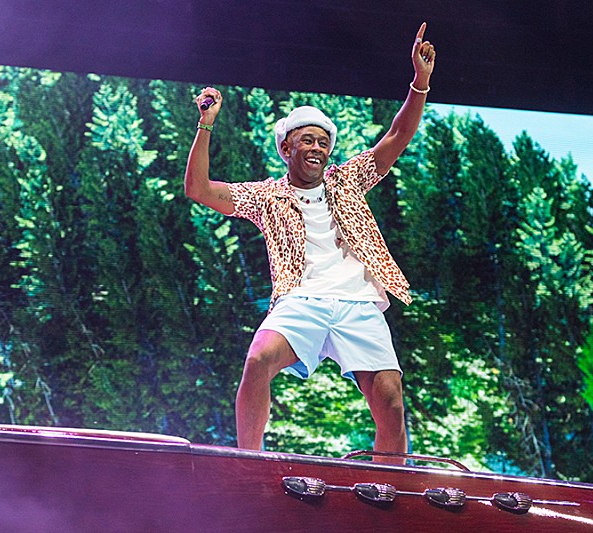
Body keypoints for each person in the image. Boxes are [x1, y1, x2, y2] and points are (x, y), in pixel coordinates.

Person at [184, 22, 436, 458]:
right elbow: (199, 189)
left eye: (323, 142)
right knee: (258, 360)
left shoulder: (348, 181)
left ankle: (389, 486)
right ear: (287, 149)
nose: (317, 148)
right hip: (301, 300)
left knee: (392, 403)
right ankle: (250, 463)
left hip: (359, 304)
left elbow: (398, 135)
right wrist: (206, 125)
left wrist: (420, 82)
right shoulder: (267, 195)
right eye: (307, 141)